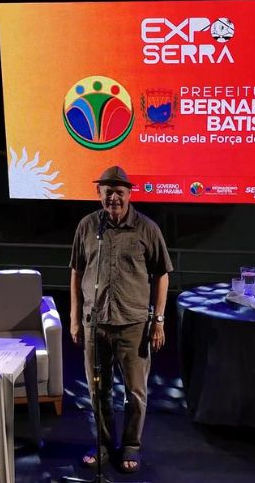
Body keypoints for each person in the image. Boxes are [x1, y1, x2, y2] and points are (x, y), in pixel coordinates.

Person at [69, 165, 173, 473]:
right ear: (98, 193)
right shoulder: (87, 226)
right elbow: (76, 271)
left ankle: (131, 445)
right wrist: (74, 317)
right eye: (108, 192)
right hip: (95, 323)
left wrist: (158, 320)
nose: (113, 197)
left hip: (133, 325)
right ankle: (103, 443)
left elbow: (162, 274)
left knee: (135, 392)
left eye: (119, 192)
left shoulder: (147, 228)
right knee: (97, 390)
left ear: (129, 194)